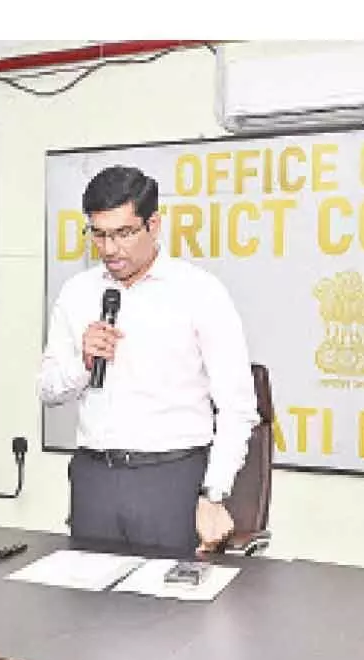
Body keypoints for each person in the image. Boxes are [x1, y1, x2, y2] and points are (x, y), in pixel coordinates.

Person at [38, 165, 260, 555]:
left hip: (171, 480)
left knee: (170, 613)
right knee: (86, 612)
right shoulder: (77, 293)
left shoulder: (199, 292)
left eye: (123, 234)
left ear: (153, 224)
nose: (109, 249)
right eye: (99, 234)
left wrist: (213, 492)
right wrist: (83, 363)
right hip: (95, 478)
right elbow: (48, 390)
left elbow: (238, 407)